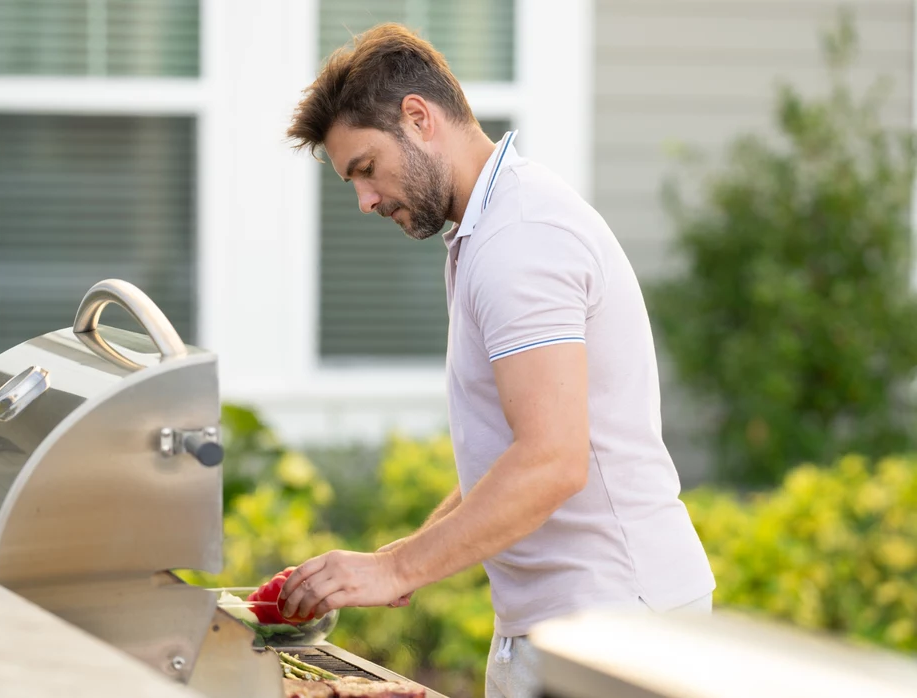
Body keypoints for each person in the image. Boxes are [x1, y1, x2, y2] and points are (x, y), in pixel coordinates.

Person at [278, 23, 715, 698]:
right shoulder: (493, 227)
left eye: (365, 168)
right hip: (575, 623)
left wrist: (399, 572)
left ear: (418, 118)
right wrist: (402, 559)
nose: (364, 200)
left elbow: (551, 460)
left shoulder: (520, 240)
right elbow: (512, 452)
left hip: (613, 629)